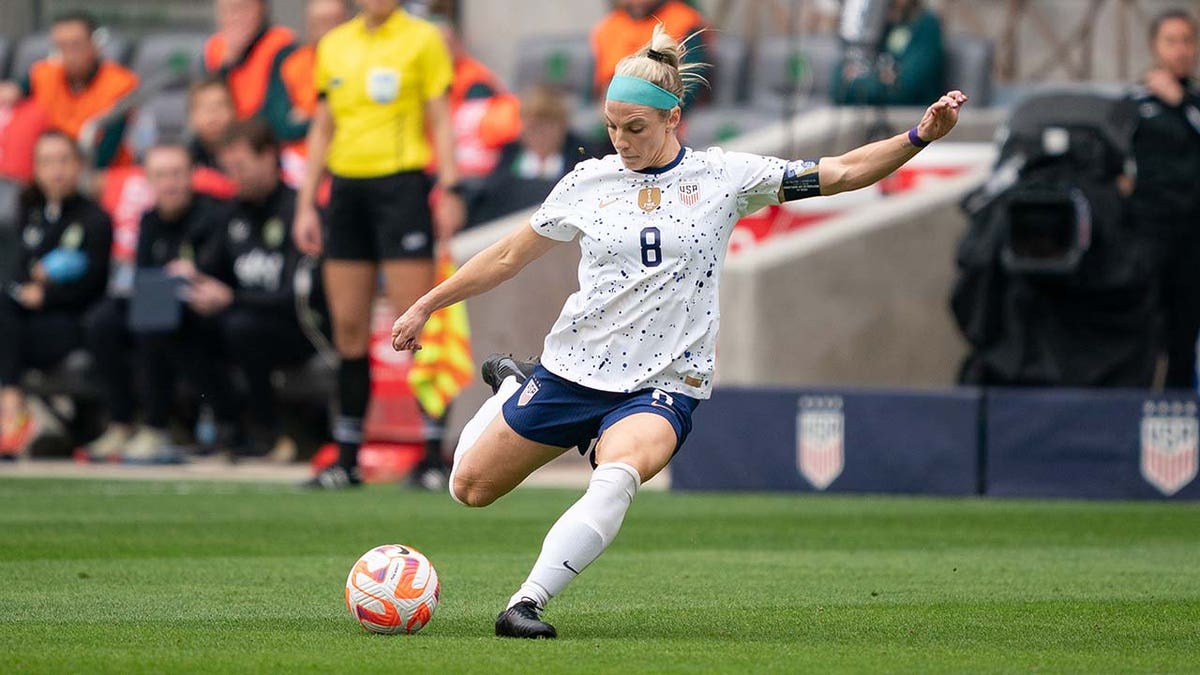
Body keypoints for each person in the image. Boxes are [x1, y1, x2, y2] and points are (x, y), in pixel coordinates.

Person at [389, 27, 966, 638]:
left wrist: (919, 136)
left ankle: (525, 603)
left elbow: (843, 171)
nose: (621, 140)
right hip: (572, 368)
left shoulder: (727, 176)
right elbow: (506, 256)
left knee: (620, 472)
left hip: (666, 379)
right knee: (469, 489)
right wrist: (426, 304)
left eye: (635, 127)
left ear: (673, 119)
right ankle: (513, 389)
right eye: (612, 126)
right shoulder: (588, 181)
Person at [293, 0, 466, 488]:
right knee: (348, 328)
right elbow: (323, 125)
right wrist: (308, 203)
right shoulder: (334, 44)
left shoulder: (423, 39)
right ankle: (347, 457)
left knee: (415, 319)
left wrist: (449, 189)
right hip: (346, 192)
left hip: (402, 188)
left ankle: (433, 454)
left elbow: (440, 117)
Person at [177, 120, 315, 460]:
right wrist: (190, 277)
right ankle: (227, 426)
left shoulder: (299, 212)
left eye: (240, 166)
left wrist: (231, 299)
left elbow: (294, 298)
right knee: (182, 320)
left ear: (268, 157)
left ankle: (268, 431)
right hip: (241, 322)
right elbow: (211, 270)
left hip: (297, 328)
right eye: (227, 169)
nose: (233, 177)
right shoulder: (231, 214)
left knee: (240, 328)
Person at [83, 144, 226, 461]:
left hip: (199, 314)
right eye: (161, 175)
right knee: (102, 322)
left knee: (152, 317)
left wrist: (192, 275)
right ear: (149, 181)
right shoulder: (149, 220)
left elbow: (216, 274)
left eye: (177, 174)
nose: (170, 183)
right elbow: (145, 274)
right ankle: (121, 421)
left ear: (192, 176)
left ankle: (156, 426)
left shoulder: (213, 215)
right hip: (161, 306)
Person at [0, 131, 113, 457]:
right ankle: (13, 407)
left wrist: (48, 297)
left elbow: (94, 283)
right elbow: (18, 272)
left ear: (79, 166)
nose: (56, 170)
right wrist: (27, 290)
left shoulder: (95, 219)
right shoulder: (30, 215)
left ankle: (10, 409)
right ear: (35, 170)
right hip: (26, 322)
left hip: (70, 322)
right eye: (47, 162)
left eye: (64, 160)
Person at [1129, 9, 1200, 389]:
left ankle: (1180, 415)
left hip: (1192, 236)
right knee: (1143, 328)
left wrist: (1179, 103)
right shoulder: (1137, 102)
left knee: (1184, 332)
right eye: (1171, 41)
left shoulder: (1195, 105)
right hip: (1149, 232)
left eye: (1188, 40)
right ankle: (1134, 411)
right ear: (1155, 47)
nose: (1181, 49)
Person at [0, 11, 139, 168]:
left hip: (99, 172)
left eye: (76, 45)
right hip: (49, 169)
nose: (69, 54)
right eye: (61, 46)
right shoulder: (44, 74)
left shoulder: (121, 84)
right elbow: (14, 90)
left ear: (95, 45)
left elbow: (107, 151)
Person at [468, 85, 598, 226]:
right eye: (533, 127)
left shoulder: (583, 156)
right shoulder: (509, 155)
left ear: (563, 126)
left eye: (547, 126)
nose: (540, 135)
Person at [263, 0, 350, 187]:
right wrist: (326, 120)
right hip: (298, 166)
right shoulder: (294, 63)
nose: (327, 31)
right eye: (319, 23)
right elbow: (279, 124)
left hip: (348, 161)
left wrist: (308, 115)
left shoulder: (362, 62)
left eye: (333, 21)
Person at [435, 18, 521, 180]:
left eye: (447, 44)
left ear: (458, 44)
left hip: (471, 165)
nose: (441, 50)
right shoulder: (438, 75)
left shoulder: (474, 82)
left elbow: (470, 130)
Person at [591, 0, 711, 107]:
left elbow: (688, 87)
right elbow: (599, 83)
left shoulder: (683, 22)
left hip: (663, 104)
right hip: (612, 106)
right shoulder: (609, 27)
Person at [831, 0, 945, 106]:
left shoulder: (926, 25)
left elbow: (906, 89)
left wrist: (864, 81)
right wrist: (879, 79)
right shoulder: (883, 26)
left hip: (913, 115)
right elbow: (839, 85)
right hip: (874, 112)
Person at [205, 0, 296, 122]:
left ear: (261, 9)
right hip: (227, 134)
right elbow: (206, 105)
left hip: (263, 135)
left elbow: (277, 114)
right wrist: (226, 65)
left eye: (242, 8)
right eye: (225, 10)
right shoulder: (215, 47)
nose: (235, 17)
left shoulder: (281, 45)